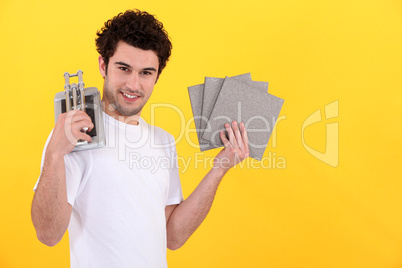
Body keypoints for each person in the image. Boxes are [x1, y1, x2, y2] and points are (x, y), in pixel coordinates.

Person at [31, 9, 250, 268]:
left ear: (157, 76)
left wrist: (219, 168)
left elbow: (174, 236)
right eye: (124, 68)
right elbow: (48, 234)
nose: (134, 85)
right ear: (103, 65)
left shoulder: (163, 140)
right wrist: (55, 155)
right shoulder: (74, 135)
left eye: (146, 72)